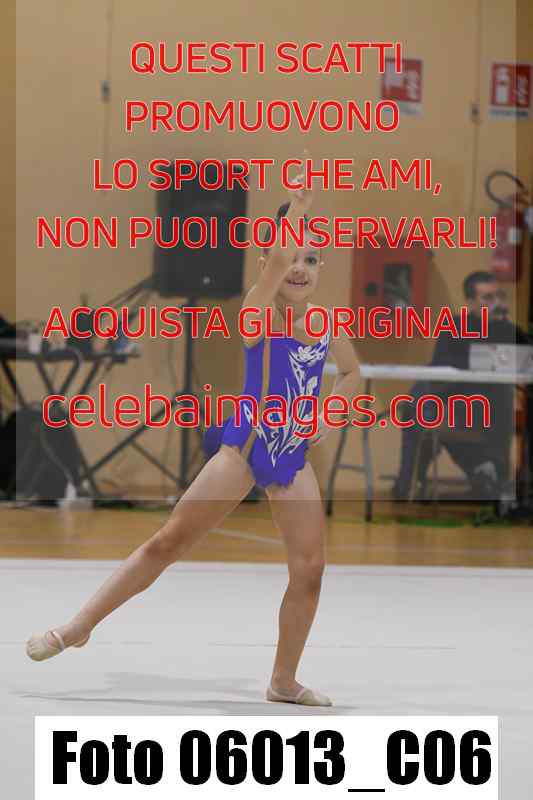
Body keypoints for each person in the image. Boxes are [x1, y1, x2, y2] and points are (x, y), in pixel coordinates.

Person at [26, 162, 361, 707]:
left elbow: (352, 373)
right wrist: (297, 212)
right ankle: (79, 626)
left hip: (290, 456)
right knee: (168, 542)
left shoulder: (326, 324)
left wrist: (330, 413)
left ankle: (282, 680)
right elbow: (278, 264)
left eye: (312, 259)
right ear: (266, 264)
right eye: (290, 257)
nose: (299, 268)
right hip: (244, 449)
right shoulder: (256, 311)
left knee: (311, 570)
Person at [393, 271, 528, 501]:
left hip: (487, 410)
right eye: (488, 298)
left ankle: (482, 471)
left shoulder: (508, 330)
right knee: (419, 409)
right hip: (451, 402)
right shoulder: (455, 326)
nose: (496, 302)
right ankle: (478, 470)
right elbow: (441, 370)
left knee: (421, 413)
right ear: (471, 302)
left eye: (499, 296)